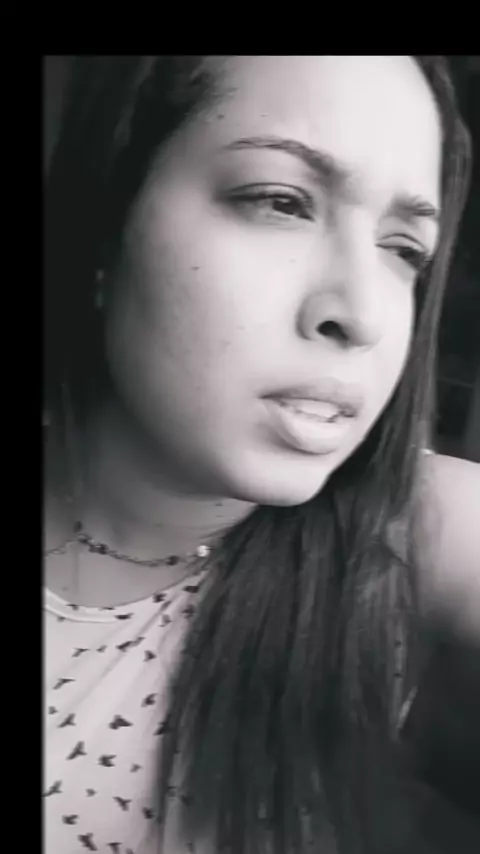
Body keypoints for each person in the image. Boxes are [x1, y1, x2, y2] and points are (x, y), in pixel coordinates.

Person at [43, 56, 479, 853]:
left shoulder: (416, 533)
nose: (363, 314)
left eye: (404, 249)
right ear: (106, 224)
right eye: (281, 201)